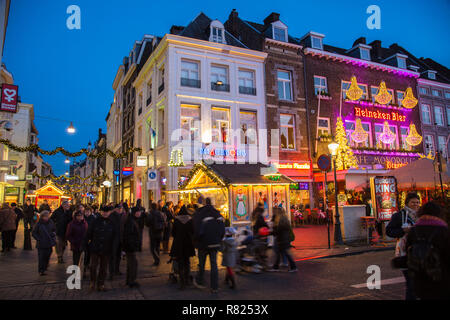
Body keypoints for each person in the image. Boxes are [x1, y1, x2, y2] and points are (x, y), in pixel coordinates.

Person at [404, 202, 450, 300]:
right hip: (440, 277)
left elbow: (408, 251)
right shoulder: (443, 230)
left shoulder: (414, 230)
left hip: (420, 277)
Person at [386, 192, 421, 300]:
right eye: (413, 202)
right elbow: (389, 231)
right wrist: (402, 230)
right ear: (407, 203)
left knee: (416, 283)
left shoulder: (421, 216)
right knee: (411, 283)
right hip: (404, 251)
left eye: (417, 202)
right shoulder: (399, 215)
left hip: (419, 252)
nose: (416, 204)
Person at [192, 197, 225, 294]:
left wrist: (196, 240)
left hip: (204, 243)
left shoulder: (200, 213)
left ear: (204, 203)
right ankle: (214, 287)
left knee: (202, 263)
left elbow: (197, 229)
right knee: (214, 265)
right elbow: (222, 229)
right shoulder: (217, 213)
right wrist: (219, 239)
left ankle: (199, 282)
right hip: (215, 243)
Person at [84, 205, 116, 292]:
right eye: (103, 212)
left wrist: (114, 247)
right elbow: (89, 233)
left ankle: (101, 283)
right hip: (95, 247)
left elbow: (114, 236)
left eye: (107, 212)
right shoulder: (95, 221)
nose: (105, 213)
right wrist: (85, 244)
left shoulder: (112, 222)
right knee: (93, 266)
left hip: (106, 248)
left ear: (109, 212)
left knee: (103, 267)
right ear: (101, 212)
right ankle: (93, 282)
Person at [170, 205, 195, 290]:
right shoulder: (190, 220)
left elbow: (173, 233)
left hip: (179, 244)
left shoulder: (176, 220)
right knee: (187, 261)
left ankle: (182, 282)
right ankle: (187, 279)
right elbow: (193, 231)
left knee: (180, 262)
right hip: (188, 243)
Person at [269, 207, 298, 272]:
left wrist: (271, 232)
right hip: (283, 239)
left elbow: (280, 230)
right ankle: (276, 267)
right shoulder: (283, 219)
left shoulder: (282, 220)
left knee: (285, 253)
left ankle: (293, 267)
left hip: (283, 239)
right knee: (280, 253)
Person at [121, 206, 142, 288]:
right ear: (134, 213)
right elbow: (128, 235)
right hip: (130, 247)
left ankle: (129, 280)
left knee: (131, 264)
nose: (140, 213)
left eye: (140, 212)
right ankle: (131, 281)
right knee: (133, 264)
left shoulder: (133, 220)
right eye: (138, 212)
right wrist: (132, 245)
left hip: (130, 246)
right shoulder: (130, 221)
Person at [31, 211, 56, 275]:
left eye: (48, 216)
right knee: (41, 257)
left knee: (47, 255)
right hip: (41, 244)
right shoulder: (39, 224)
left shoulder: (51, 222)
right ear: (42, 217)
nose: (47, 217)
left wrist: (53, 234)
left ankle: (45, 267)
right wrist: (39, 239)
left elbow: (54, 229)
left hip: (49, 242)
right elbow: (34, 233)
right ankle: (41, 270)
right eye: (45, 216)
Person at [146, 202, 166, 266]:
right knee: (157, 247)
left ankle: (157, 259)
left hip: (153, 232)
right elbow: (164, 222)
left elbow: (147, 223)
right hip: (159, 232)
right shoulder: (160, 213)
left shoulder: (150, 214)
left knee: (152, 248)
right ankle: (157, 260)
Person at [108, 204, 125, 280]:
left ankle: (117, 270)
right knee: (112, 256)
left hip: (120, 238)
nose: (120, 210)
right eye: (118, 209)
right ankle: (111, 272)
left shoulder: (123, 216)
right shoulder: (112, 216)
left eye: (121, 209)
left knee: (118, 256)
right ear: (115, 209)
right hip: (113, 239)